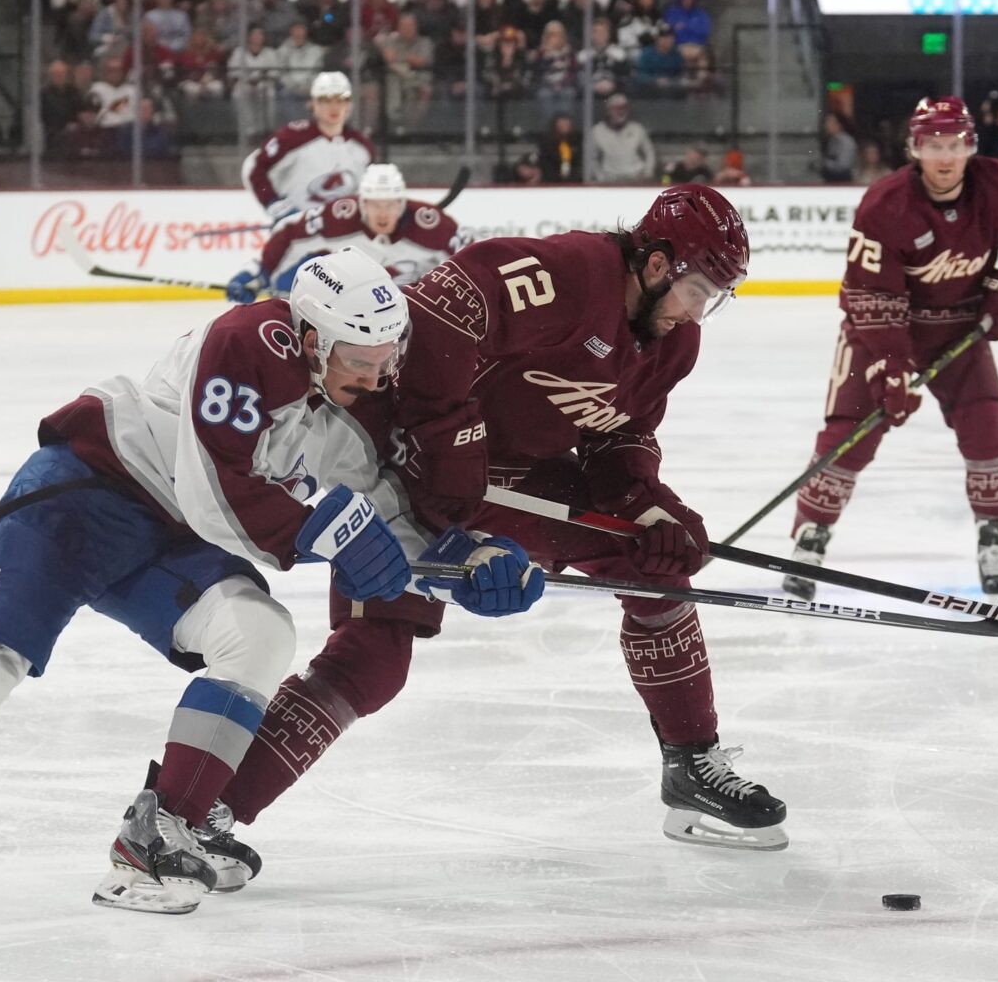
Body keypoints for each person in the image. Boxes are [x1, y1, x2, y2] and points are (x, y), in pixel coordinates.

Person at [0, 247, 542, 914]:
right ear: (307, 337)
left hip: (166, 536)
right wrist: (331, 533)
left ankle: (157, 837)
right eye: (362, 361)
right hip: (87, 491)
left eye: (387, 360)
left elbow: (388, 524)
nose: (379, 378)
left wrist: (463, 562)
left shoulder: (345, 415)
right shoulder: (249, 341)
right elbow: (217, 491)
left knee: (257, 634)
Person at [208, 184, 789, 856]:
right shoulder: (574, 274)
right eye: (700, 291)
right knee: (373, 659)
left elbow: (616, 439)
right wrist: (447, 442)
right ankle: (207, 806)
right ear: (657, 265)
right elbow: (442, 309)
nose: (698, 312)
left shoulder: (671, 344)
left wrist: (648, 507)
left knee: (650, 565)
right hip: (402, 465)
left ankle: (691, 763)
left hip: (505, 481)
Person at [783, 97, 998, 599]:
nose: (944, 158)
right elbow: (869, 293)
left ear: (970, 146)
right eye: (932, 146)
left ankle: (994, 539)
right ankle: (810, 539)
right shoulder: (886, 204)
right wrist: (889, 364)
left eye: (954, 145)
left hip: (958, 329)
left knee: (987, 426)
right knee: (851, 432)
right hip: (880, 332)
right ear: (915, 149)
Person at [226, 162, 469, 300]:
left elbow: (472, 259)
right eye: (375, 204)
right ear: (362, 204)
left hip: (414, 310)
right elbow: (288, 233)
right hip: (355, 312)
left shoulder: (432, 226)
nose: (382, 213)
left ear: (401, 204)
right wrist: (257, 274)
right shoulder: (339, 217)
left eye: (390, 204)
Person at [241, 71, 376, 225]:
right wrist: (274, 203)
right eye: (326, 100)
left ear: (349, 104)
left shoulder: (362, 147)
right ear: (313, 104)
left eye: (341, 100)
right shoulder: (292, 137)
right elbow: (254, 167)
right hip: (296, 230)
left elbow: (366, 192)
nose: (334, 107)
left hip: (342, 234)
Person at [590, 93, 656, 183]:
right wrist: (600, 177)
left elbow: (649, 153)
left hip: (636, 178)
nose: (620, 112)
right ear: (608, 111)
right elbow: (591, 158)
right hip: (610, 180)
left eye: (623, 108)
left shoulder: (637, 129)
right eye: (616, 109)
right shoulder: (597, 131)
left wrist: (648, 172)